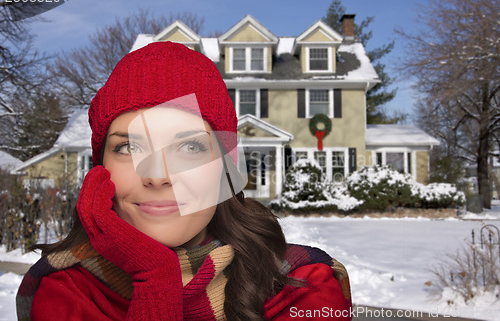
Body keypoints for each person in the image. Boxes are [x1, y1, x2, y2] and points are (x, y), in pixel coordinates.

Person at [16, 41, 352, 320]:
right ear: (99, 169)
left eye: (190, 147)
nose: (159, 175)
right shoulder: (64, 291)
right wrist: (155, 281)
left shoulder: (303, 285)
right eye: (129, 147)